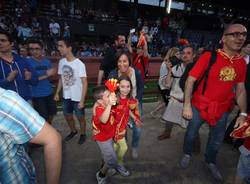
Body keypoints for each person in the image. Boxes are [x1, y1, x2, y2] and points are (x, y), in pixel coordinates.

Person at [180, 24, 247, 182]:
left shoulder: (241, 63)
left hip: (222, 108)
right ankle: (187, 153)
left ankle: (210, 161)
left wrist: (243, 112)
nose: (240, 37)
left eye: (243, 34)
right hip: (199, 105)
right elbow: (190, 80)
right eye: (235, 34)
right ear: (223, 38)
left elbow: (241, 89)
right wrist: (187, 105)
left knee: (216, 140)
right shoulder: (209, 57)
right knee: (191, 133)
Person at [0, 87, 61, 184]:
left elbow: (52, 138)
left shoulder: (4, 100)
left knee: (47, 118)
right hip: (35, 97)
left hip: (30, 97)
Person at [108, 50, 144, 159]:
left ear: (129, 62)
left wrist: (137, 100)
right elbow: (110, 91)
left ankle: (134, 147)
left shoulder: (136, 72)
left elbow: (141, 87)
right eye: (119, 61)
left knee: (137, 128)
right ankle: (123, 144)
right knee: (121, 126)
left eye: (125, 61)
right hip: (120, 104)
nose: (122, 64)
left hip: (134, 103)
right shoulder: (113, 74)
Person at [92, 85, 130, 184]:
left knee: (108, 155)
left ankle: (106, 165)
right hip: (103, 139)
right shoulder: (99, 109)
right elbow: (104, 120)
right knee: (112, 161)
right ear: (100, 101)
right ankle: (101, 174)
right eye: (108, 95)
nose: (111, 97)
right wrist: (109, 105)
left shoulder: (108, 104)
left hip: (110, 136)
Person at [54, 38, 88, 144]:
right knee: (68, 116)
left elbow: (85, 83)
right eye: (58, 46)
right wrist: (57, 92)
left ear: (69, 48)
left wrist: (82, 101)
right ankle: (73, 131)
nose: (58, 48)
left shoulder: (79, 64)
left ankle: (83, 134)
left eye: (61, 46)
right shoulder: (61, 62)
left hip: (77, 97)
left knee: (80, 118)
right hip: (66, 96)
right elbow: (61, 78)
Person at [159, 46, 194, 140]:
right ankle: (167, 134)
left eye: (188, 53)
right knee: (169, 121)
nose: (185, 55)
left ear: (193, 56)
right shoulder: (176, 68)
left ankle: (194, 142)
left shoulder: (196, 69)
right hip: (174, 101)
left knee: (191, 127)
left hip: (188, 103)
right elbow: (167, 84)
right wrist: (170, 70)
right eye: (183, 53)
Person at [114, 76, 142, 172]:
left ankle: (112, 162)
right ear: (118, 87)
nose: (126, 89)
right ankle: (118, 163)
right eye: (122, 87)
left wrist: (134, 118)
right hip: (113, 129)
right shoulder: (113, 100)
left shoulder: (130, 100)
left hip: (122, 128)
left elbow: (127, 110)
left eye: (128, 86)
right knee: (122, 147)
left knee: (116, 147)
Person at [0, 30, 36, 102]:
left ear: (11, 43)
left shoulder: (23, 60)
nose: (0, 43)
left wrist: (30, 78)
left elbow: (35, 82)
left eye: (3, 40)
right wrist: (7, 80)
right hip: (4, 104)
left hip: (25, 102)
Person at [27, 40, 57, 124]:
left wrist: (52, 75)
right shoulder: (27, 62)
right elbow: (29, 80)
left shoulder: (47, 62)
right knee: (43, 117)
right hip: (37, 95)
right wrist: (47, 75)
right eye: (32, 49)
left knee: (52, 113)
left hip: (49, 92)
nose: (34, 51)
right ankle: (46, 132)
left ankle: (49, 127)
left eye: (37, 48)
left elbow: (50, 77)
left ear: (42, 49)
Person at [150, 47, 180, 119]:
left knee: (165, 101)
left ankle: (159, 114)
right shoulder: (167, 63)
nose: (179, 55)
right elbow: (166, 76)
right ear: (173, 54)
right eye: (177, 54)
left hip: (164, 85)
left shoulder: (169, 62)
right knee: (168, 102)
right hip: (164, 85)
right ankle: (157, 114)